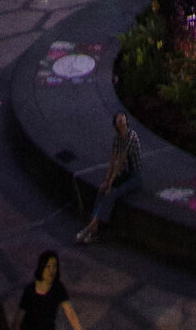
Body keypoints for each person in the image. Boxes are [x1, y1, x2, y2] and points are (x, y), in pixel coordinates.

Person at [76, 110, 142, 242]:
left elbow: (121, 160)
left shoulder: (131, 136)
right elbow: (113, 161)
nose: (121, 119)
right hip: (124, 175)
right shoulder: (118, 139)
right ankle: (93, 224)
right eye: (118, 118)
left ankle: (92, 226)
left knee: (111, 193)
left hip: (134, 177)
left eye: (122, 117)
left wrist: (110, 183)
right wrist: (106, 180)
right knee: (102, 190)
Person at [18, 252, 82, 330]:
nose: (51, 270)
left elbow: (70, 312)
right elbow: (19, 316)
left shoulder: (57, 288)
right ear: (42, 267)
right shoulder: (29, 290)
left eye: (54, 266)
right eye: (48, 266)